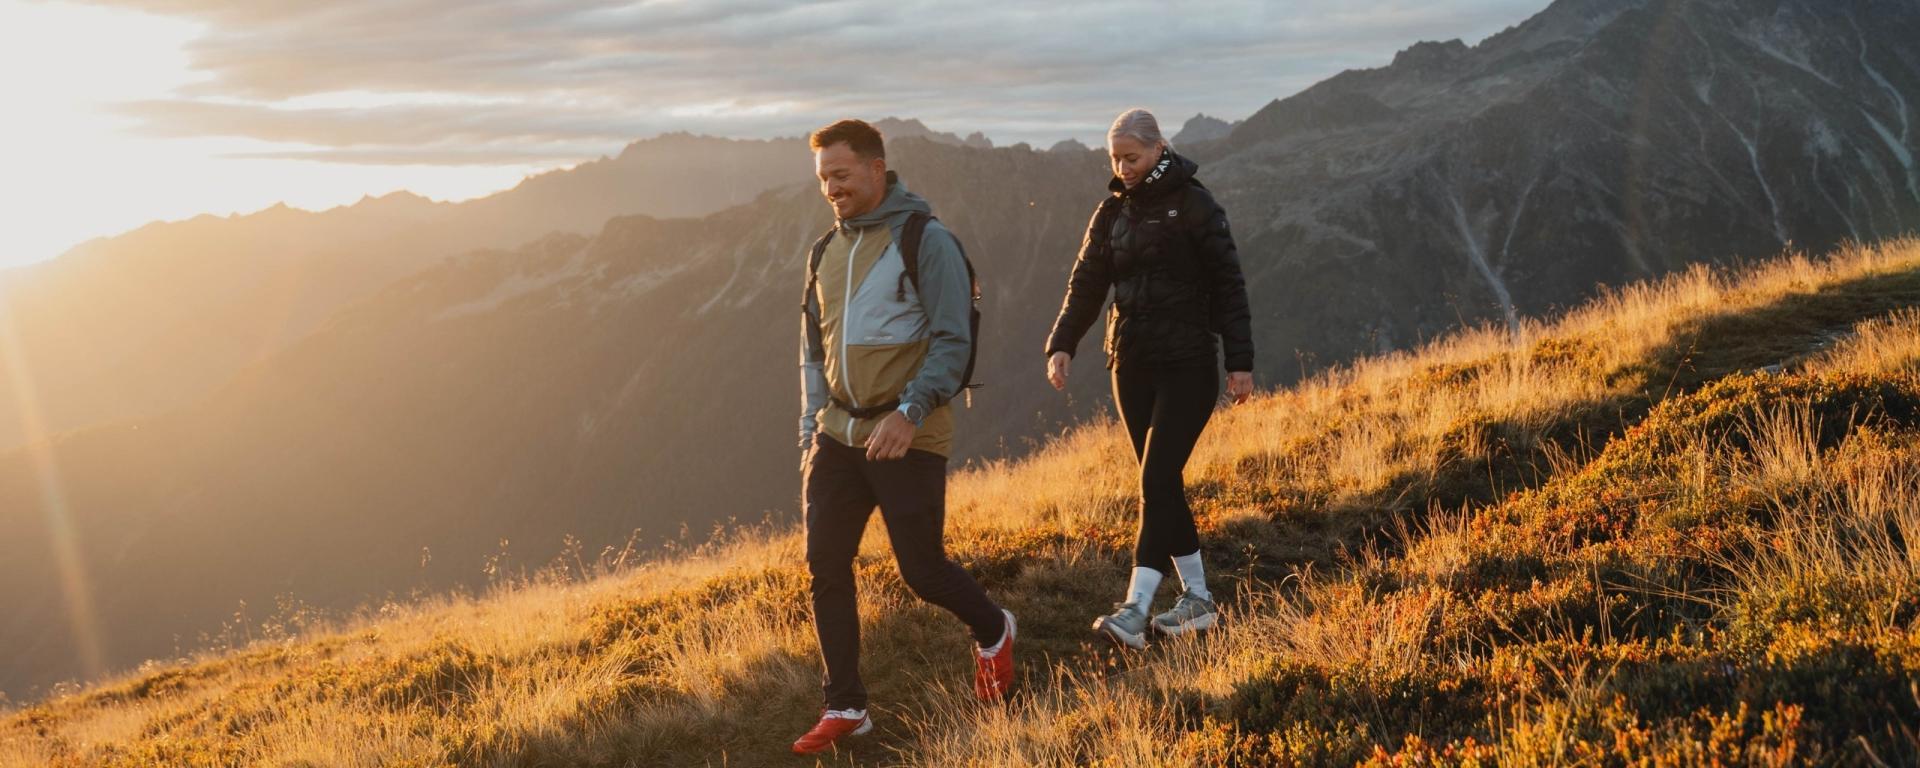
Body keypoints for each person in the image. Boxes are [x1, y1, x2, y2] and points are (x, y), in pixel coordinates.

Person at [792, 118, 1015, 755]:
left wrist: (910, 411)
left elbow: (954, 341)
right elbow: (813, 350)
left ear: (876, 169)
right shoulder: (824, 251)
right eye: (822, 178)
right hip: (837, 435)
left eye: (841, 174)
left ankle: (995, 629)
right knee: (826, 567)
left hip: (907, 432)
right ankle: (846, 707)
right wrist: (811, 430)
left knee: (921, 570)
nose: (831, 188)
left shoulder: (925, 239)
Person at [1044, 107, 1255, 650]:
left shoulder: (1196, 205)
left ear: (1159, 148)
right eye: (1115, 158)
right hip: (1130, 365)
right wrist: (1063, 344)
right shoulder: (1111, 212)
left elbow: (1229, 284)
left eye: (1131, 157)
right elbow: (1087, 282)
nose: (1123, 167)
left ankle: (1135, 610)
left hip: (1187, 365)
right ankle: (1200, 602)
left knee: (1155, 482)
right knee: (1161, 485)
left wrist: (1240, 362)